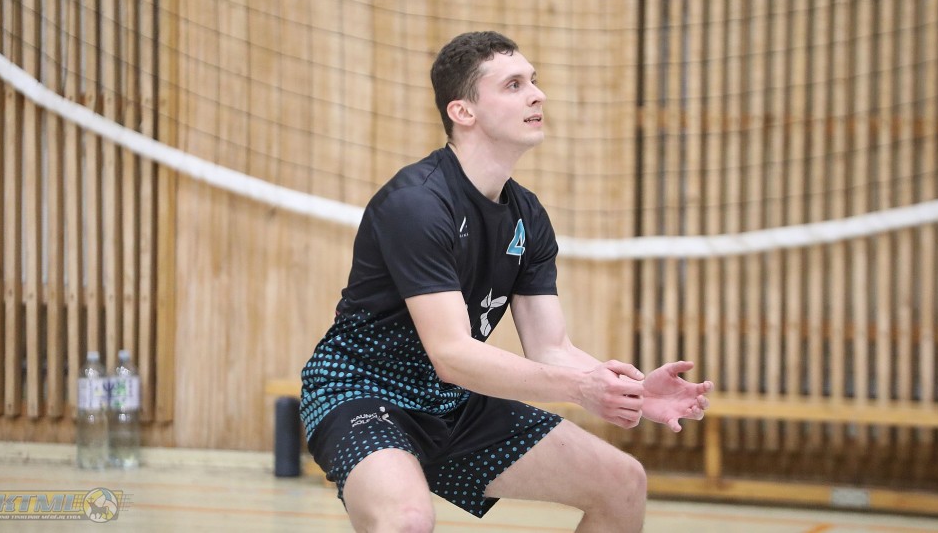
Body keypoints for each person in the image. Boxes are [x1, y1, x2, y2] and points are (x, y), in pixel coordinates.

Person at [299, 30, 714, 532]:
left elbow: (551, 348)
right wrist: (580, 389)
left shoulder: (527, 215)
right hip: (363, 393)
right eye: (514, 85)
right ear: (463, 112)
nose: (538, 95)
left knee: (623, 483)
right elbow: (451, 354)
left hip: (452, 401)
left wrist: (634, 393)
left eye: (533, 81)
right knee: (407, 520)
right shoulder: (417, 204)